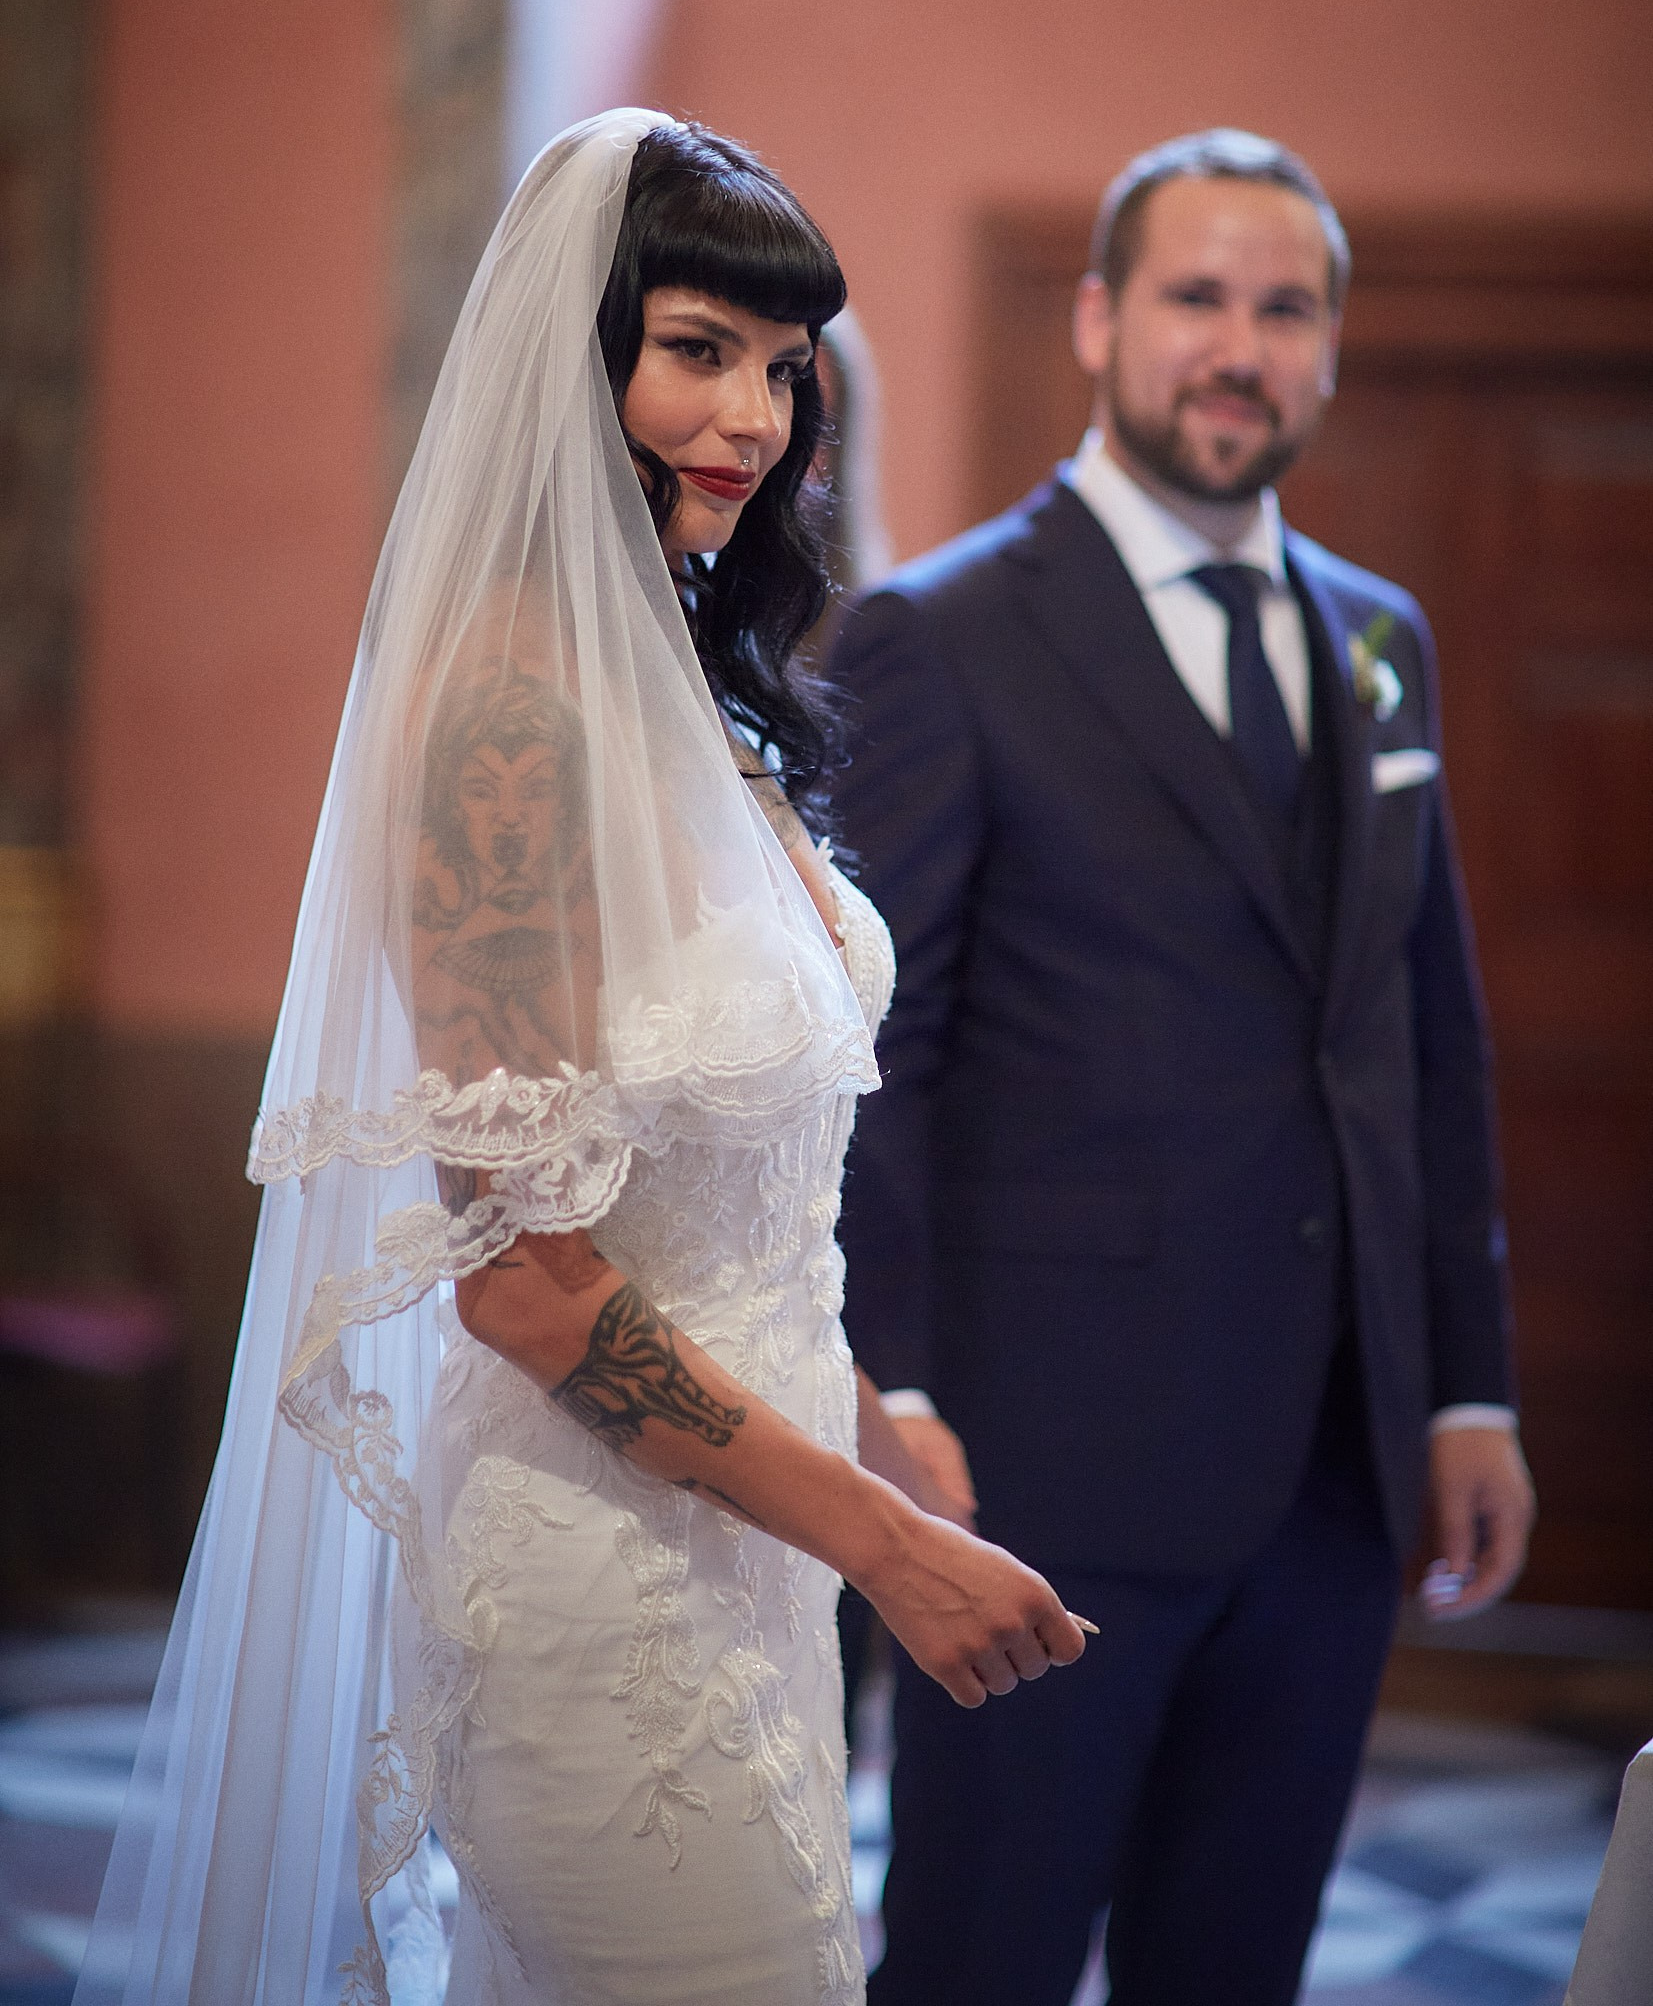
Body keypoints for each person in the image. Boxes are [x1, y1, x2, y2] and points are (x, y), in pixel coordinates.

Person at [76, 112, 1083, 2006]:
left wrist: (873, 1430)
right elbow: (526, 1285)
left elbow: (722, 1195)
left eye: (781, 367)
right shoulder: (506, 722)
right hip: (607, 1580)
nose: (754, 418)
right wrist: (886, 1544)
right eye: (697, 350)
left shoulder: (690, 683)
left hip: (759, 1542)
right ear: (578, 356)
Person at [829, 128, 1537, 2006]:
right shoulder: (943, 637)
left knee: (1234, 1967)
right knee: (978, 1961)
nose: (1238, 348)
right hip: (1038, 1464)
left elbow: (1422, 1036)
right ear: (1097, 320)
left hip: (1332, 1473)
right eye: (1195, 298)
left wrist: (1466, 1392)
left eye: (1284, 310)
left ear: (1328, 349)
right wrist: (891, 1385)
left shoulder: (1379, 642)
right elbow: (876, 1056)